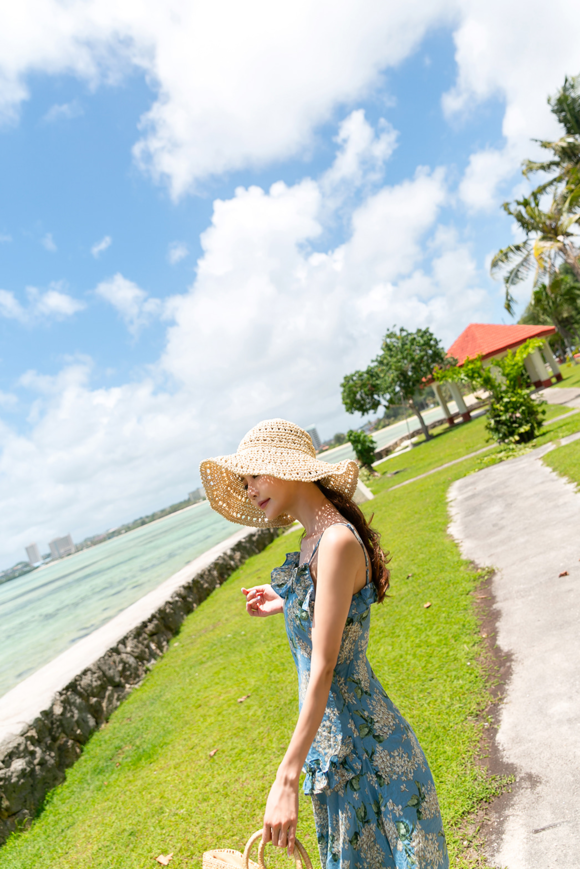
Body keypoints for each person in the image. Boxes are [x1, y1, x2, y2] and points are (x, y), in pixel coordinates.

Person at [200, 419, 448, 869]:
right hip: (336, 754)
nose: (251, 489)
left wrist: (287, 777)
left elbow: (325, 666)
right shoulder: (312, 541)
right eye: (245, 480)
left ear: (288, 468)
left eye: (255, 475)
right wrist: (286, 599)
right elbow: (329, 608)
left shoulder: (333, 542)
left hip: (369, 756)